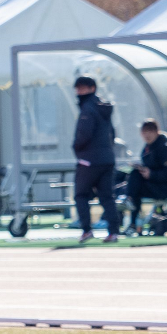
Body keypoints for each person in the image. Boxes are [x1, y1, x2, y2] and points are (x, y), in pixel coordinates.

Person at [71, 75, 119, 243]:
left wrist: (77, 148)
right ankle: (113, 232)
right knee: (107, 196)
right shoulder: (103, 108)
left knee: (81, 195)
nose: (79, 91)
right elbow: (112, 133)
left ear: (92, 88)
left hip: (89, 160)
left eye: (82, 87)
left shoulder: (88, 108)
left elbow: (84, 134)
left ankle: (86, 230)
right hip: (107, 159)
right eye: (77, 88)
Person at [124, 118, 167, 233]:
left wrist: (151, 174)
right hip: (156, 184)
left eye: (150, 131)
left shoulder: (166, 149)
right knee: (134, 177)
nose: (147, 135)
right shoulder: (147, 149)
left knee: (135, 184)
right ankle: (132, 220)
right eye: (144, 131)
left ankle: (131, 214)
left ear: (157, 131)